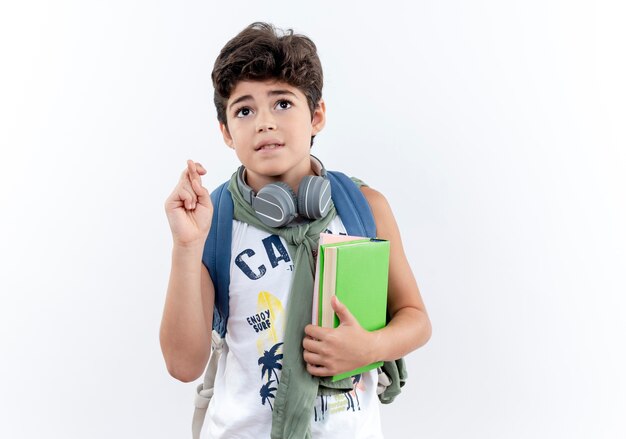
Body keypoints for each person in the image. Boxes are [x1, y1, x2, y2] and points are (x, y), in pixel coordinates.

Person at [160, 22, 431, 438]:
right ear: (226, 133)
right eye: (244, 110)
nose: (264, 122)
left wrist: (371, 348)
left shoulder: (364, 207)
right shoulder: (214, 222)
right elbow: (183, 365)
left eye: (282, 103)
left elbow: (416, 319)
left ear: (316, 115)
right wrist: (186, 245)